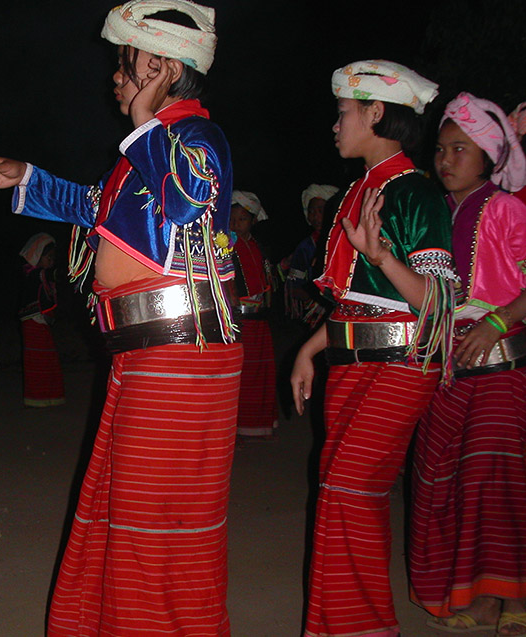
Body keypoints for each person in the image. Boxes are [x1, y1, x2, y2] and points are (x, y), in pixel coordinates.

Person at [0, 1, 241, 633]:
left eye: (126, 65)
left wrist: (145, 121)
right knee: (131, 509)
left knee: (158, 519)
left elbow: (183, 203)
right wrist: (25, 179)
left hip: (182, 352)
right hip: (148, 351)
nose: (115, 79)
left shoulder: (196, 138)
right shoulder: (147, 149)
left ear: (164, 69)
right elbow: (97, 205)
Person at [289, 60, 457, 637]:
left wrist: (384, 256)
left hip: (405, 362)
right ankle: (339, 626)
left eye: (343, 113)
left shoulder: (417, 194)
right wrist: (308, 351)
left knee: (348, 489)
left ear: (376, 112)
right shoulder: (358, 192)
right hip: (352, 358)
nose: (335, 125)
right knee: (339, 492)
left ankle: (362, 627)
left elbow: (438, 305)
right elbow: (357, 301)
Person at [409, 92, 526, 636]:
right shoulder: (435, 213)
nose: (446, 160)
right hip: (446, 371)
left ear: (489, 157)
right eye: (440, 149)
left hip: (501, 370)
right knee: (443, 483)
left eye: (461, 149)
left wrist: (497, 323)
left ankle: (504, 603)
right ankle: (467, 595)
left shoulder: (506, 208)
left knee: (492, 485)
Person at [229, 190, 278, 438]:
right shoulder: (224, 245)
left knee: (260, 372)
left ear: (254, 221)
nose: (236, 224)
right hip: (238, 320)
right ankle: (233, 428)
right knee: (241, 372)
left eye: (243, 219)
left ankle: (258, 423)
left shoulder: (259, 248)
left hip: (259, 318)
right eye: (233, 218)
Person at [18, 233, 66, 407]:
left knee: (48, 358)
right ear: (38, 256)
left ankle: (50, 395)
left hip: (41, 321)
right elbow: (53, 274)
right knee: (37, 360)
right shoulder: (36, 274)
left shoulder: (39, 274)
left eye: (53, 257)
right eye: (49, 257)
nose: (51, 261)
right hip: (32, 322)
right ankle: (37, 397)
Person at [283, 184, 339, 327]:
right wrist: (312, 295)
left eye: (321, 210)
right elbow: (294, 285)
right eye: (311, 211)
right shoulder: (306, 246)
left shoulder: (341, 240)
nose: (315, 216)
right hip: (315, 311)